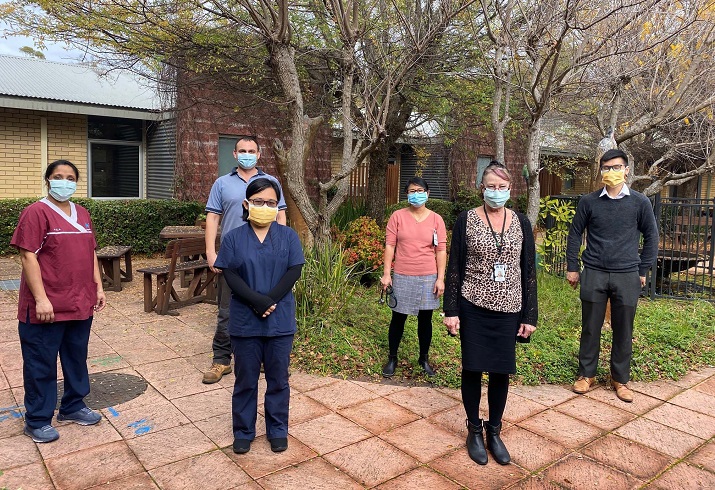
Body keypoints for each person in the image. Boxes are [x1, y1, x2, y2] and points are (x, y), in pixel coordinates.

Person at [443, 161, 537, 466]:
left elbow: (529, 270)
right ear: (481, 188)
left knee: (500, 371)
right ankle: (473, 429)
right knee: (472, 368)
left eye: (502, 187)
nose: (496, 192)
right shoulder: (466, 220)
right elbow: (454, 266)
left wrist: (530, 315)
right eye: (490, 187)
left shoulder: (521, 221)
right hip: (473, 306)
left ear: (510, 188)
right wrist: (451, 310)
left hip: (510, 309)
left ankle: (494, 431)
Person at [11, 160, 107, 443]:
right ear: (47, 180)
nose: (64, 182)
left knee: (76, 359)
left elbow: (91, 252)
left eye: (69, 178)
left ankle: (73, 406)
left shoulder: (83, 213)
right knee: (41, 362)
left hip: (79, 302)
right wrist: (41, 299)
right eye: (57, 177)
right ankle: (38, 420)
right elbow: (28, 256)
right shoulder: (36, 213)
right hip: (47, 306)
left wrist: (98, 287)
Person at [214, 178, 304, 454]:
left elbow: (294, 270)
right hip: (245, 321)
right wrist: (256, 301)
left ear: (277, 207)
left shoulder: (288, 236)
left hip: (279, 320)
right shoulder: (233, 238)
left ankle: (277, 428)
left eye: (271, 203)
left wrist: (270, 299)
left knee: (279, 379)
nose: (265, 207)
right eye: (258, 201)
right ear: (246, 204)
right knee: (245, 380)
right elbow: (229, 273)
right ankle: (243, 430)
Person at [566, 149, 658, 403]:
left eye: (616, 167)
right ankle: (587, 375)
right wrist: (572, 266)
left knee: (624, 329)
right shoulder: (589, 201)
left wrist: (642, 270)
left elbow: (652, 237)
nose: (611, 172)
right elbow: (575, 234)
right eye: (606, 168)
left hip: (627, 274)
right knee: (590, 327)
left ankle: (620, 379)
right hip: (594, 271)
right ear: (601, 171)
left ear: (627, 170)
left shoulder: (640, 202)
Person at [203, 136, 287, 384]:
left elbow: (280, 216)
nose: (247, 154)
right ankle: (221, 360)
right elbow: (212, 218)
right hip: (233, 257)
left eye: (252, 150)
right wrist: (211, 252)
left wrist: (281, 250)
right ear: (235, 154)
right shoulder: (222, 184)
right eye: (243, 150)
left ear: (259, 154)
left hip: (266, 256)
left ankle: (261, 358)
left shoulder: (271, 182)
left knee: (266, 304)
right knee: (227, 310)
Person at [380, 177, 447, 377]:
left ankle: (423, 358)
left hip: (428, 276)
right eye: (411, 191)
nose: (415, 194)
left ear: (427, 193)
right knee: (397, 318)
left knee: (425, 320)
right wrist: (386, 274)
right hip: (402, 274)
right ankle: (392, 358)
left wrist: (440, 278)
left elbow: (441, 250)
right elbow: (390, 245)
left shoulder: (436, 219)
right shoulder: (397, 216)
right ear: (406, 194)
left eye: (419, 190)